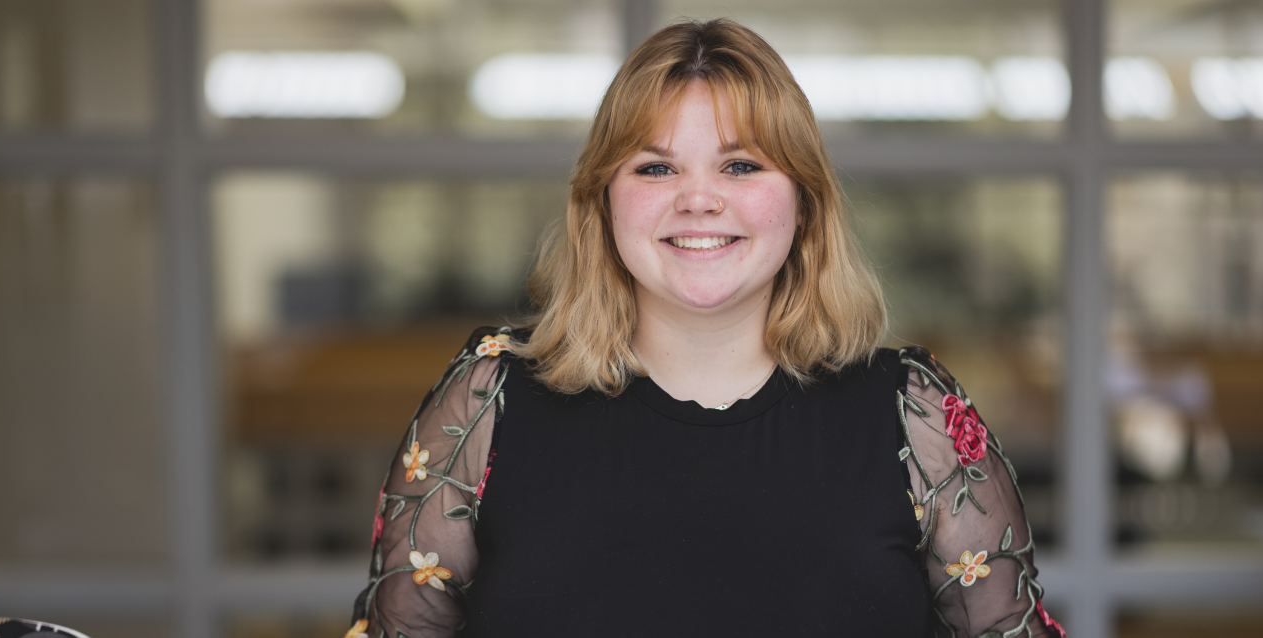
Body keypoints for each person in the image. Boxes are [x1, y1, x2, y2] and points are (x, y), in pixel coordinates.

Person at [349, 19, 1065, 638]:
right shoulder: (486, 405)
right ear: (602, 203)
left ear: (804, 202)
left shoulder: (915, 418)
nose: (698, 199)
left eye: (741, 164)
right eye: (657, 167)